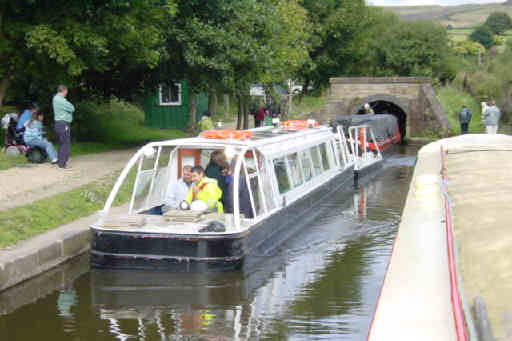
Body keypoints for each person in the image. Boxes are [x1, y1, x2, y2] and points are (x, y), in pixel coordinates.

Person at [53, 85, 75, 169]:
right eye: (66, 91)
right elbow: (72, 108)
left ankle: (60, 162)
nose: (66, 93)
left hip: (59, 123)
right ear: (64, 91)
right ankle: (62, 164)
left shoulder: (56, 98)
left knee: (61, 143)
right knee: (65, 143)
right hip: (63, 124)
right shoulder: (60, 100)